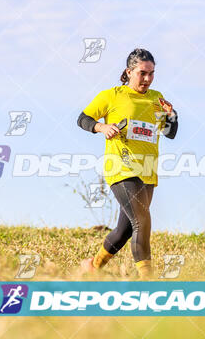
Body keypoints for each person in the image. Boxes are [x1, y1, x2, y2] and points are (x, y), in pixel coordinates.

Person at [77, 48, 178, 278]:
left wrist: (171, 117)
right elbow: (83, 118)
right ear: (129, 71)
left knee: (125, 229)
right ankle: (147, 281)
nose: (147, 79)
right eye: (142, 73)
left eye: (151, 74)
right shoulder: (111, 96)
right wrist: (102, 127)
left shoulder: (156, 99)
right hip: (121, 168)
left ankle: (92, 266)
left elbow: (170, 133)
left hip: (147, 171)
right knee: (142, 221)